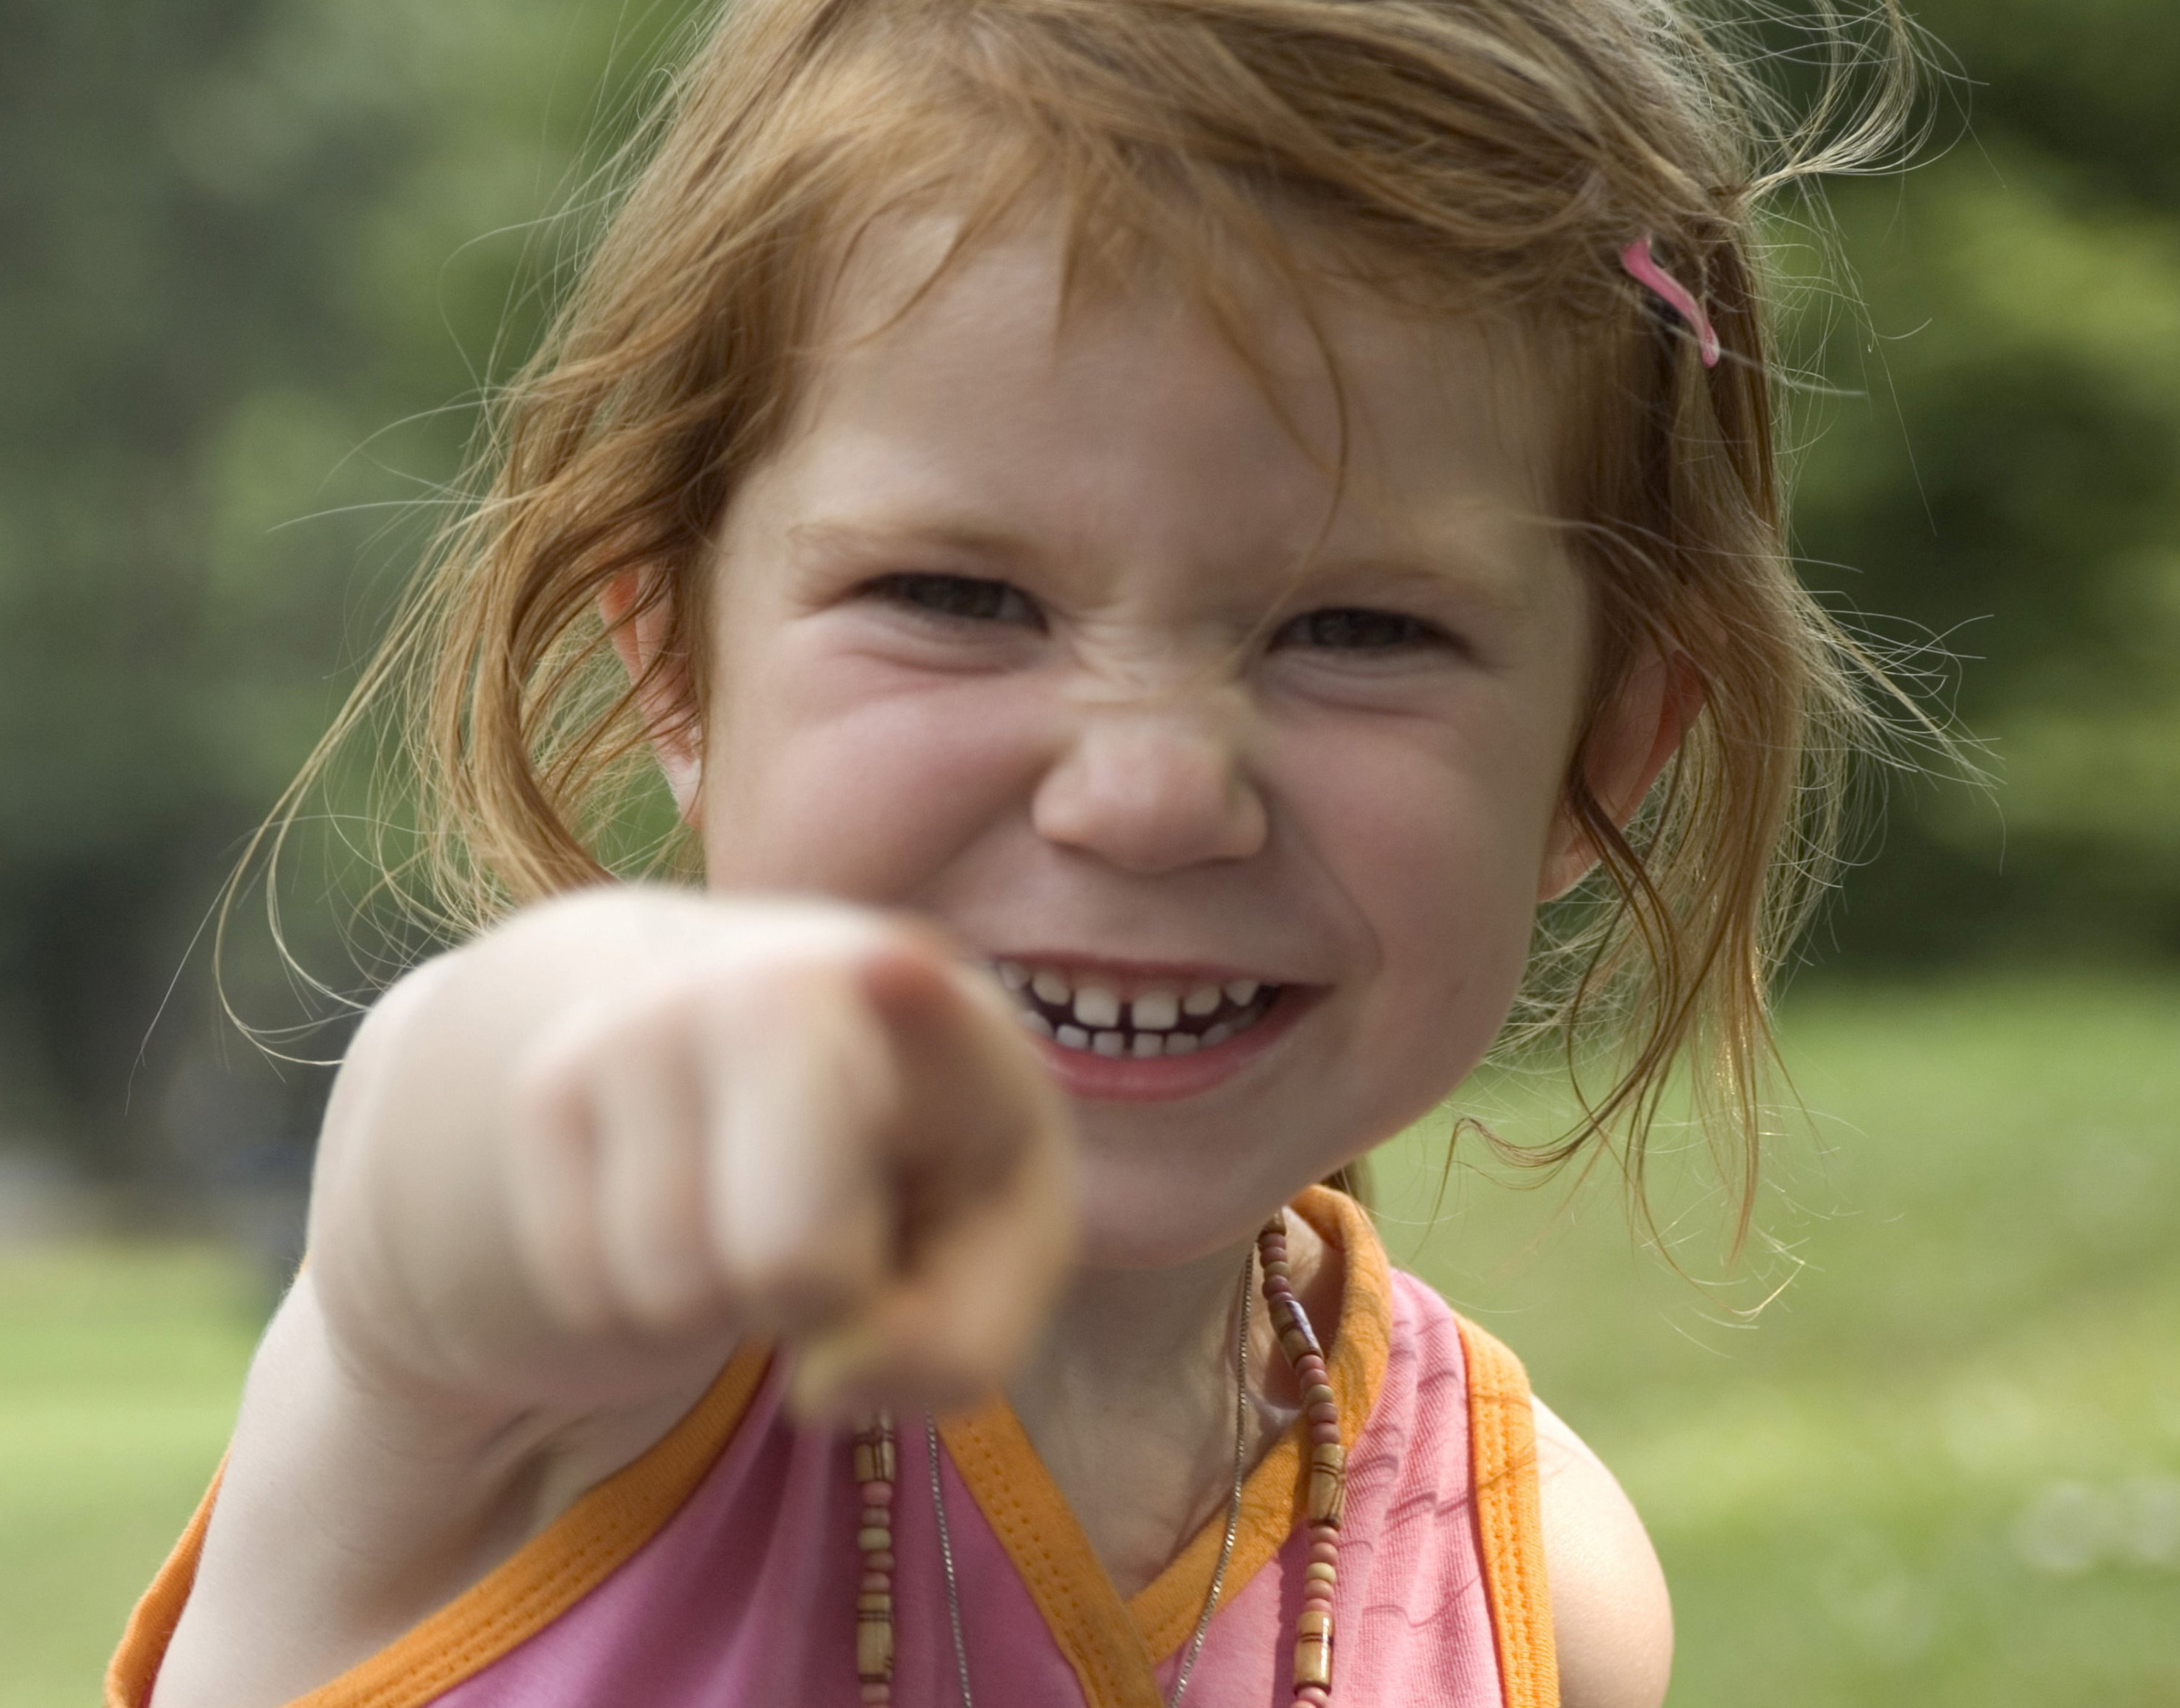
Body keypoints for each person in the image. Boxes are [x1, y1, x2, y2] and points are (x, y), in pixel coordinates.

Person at [111, 1, 1913, 1704]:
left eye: (1359, 629)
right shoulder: (538, 1394)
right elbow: (451, 1160)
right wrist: (573, 1054)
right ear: (674, 662)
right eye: (957, 597)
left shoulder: (1537, 1577)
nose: (1146, 793)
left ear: (1604, 743)